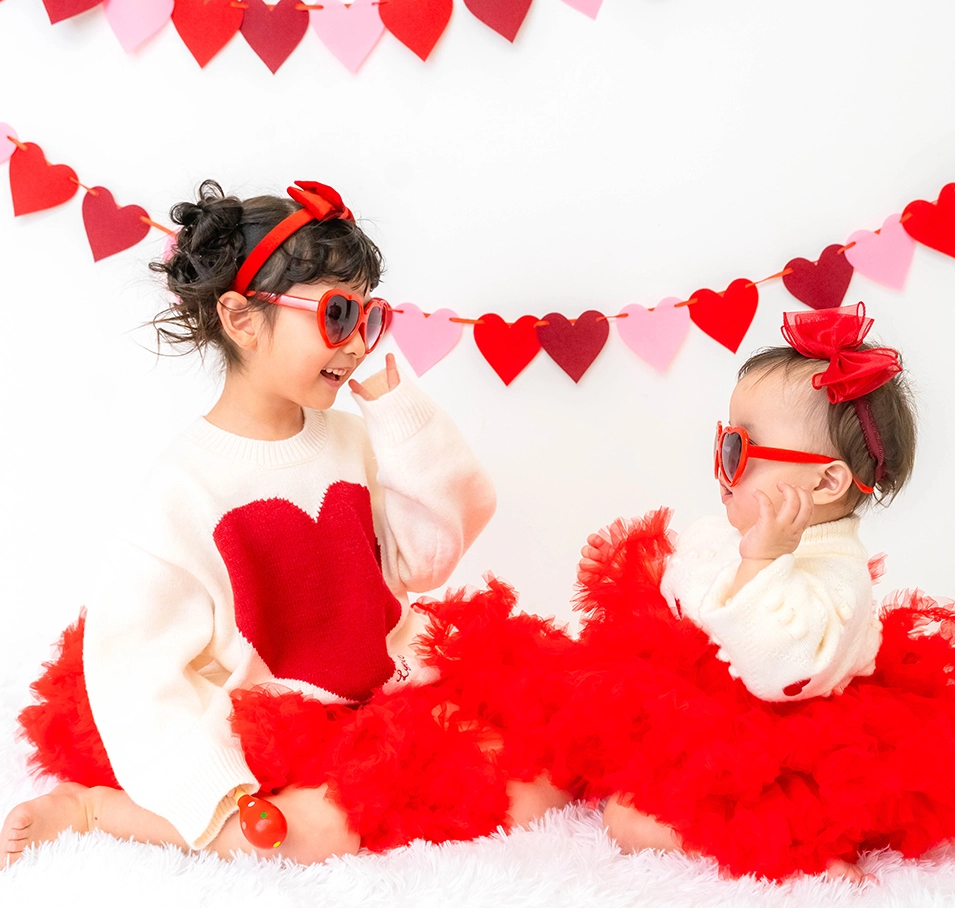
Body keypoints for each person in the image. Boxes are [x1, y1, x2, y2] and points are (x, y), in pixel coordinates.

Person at [2, 179, 564, 867]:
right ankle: (96, 808)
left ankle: (390, 800)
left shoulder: (353, 440)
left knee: (540, 776)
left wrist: (398, 417)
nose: (356, 344)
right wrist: (212, 787)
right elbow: (137, 667)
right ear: (241, 319)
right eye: (336, 314)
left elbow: (426, 562)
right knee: (314, 833)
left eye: (369, 317)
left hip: (385, 702)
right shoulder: (184, 489)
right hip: (270, 726)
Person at [557, 303, 955, 882]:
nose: (722, 466)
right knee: (585, 740)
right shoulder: (744, 533)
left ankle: (791, 847)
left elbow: (780, 669)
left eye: (739, 451)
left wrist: (763, 561)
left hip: (786, 750)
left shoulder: (835, 577)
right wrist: (652, 575)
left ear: (825, 481)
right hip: (711, 723)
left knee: (627, 820)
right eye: (723, 441)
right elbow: (700, 589)